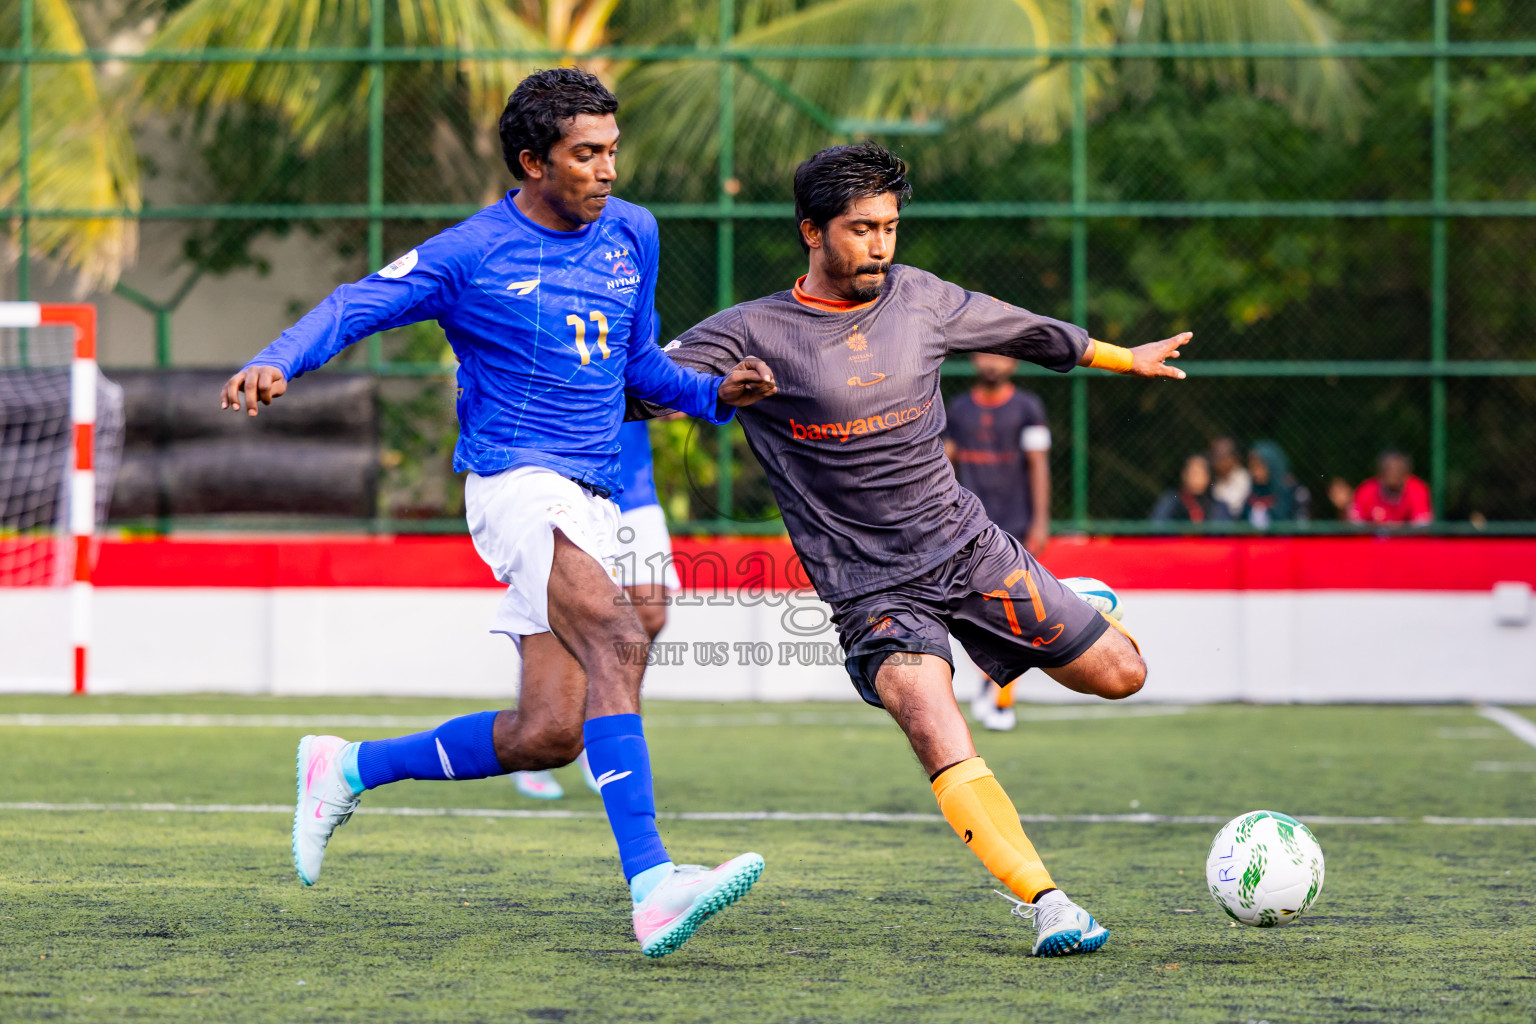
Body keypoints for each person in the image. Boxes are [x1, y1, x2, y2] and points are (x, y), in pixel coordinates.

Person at [219, 68, 778, 959]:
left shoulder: (633, 233)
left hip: (590, 496)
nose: (606, 171)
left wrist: (719, 394)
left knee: (548, 733)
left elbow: (638, 372)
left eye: (611, 153)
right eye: (585, 155)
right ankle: (654, 883)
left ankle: (348, 767)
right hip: (515, 484)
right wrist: (278, 359)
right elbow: (358, 303)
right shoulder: (471, 252)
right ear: (532, 160)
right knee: (618, 635)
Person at [634, 141, 1191, 957]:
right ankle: (1050, 903)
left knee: (1122, 676)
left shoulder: (922, 299)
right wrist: (714, 393)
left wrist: (1122, 357)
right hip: (870, 591)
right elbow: (635, 393)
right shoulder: (750, 331)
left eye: (891, 227)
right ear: (811, 232)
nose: (882, 246)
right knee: (932, 717)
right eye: (862, 229)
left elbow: (1030, 332)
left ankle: (1075, 608)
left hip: (968, 550)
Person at [512, 417, 680, 800]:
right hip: (569, 487)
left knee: (650, 613)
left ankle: (598, 728)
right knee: (559, 617)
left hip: (634, 488)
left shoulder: (636, 352)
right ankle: (531, 735)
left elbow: (675, 393)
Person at [943, 353, 1053, 732]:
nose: (993, 362)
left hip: (1016, 527)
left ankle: (1001, 699)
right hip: (967, 526)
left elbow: (1038, 464)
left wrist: (1039, 521)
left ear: (1015, 364)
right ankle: (991, 686)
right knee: (977, 612)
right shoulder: (957, 409)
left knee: (1015, 614)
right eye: (986, 354)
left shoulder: (1027, 407)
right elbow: (945, 465)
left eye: (1001, 355)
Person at [1349, 450, 1432, 527]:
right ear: (1380, 473)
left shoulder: (1417, 490)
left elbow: (1422, 525)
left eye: (1398, 470)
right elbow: (1355, 524)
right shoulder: (1367, 490)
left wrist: (1397, 528)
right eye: (1388, 470)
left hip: (1407, 541)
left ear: (1407, 474)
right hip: (1373, 540)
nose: (1393, 473)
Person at [1150, 454, 1231, 524]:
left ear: (1208, 476)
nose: (1195, 478)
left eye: (1200, 473)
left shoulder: (1217, 505)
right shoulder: (1171, 500)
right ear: (1184, 475)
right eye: (1193, 472)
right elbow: (1157, 525)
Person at [1242, 440, 1298, 529]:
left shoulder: (1290, 494)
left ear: (1272, 465)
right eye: (1251, 466)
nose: (1255, 472)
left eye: (1258, 466)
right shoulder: (1251, 495)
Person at [1209, 436, 1251, 517]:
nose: (1216, 461)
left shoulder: (1243, 477)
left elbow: (1234, 508)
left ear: (1233, 458)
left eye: (1221, 457)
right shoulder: (1211, 477)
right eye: (1215, 456)